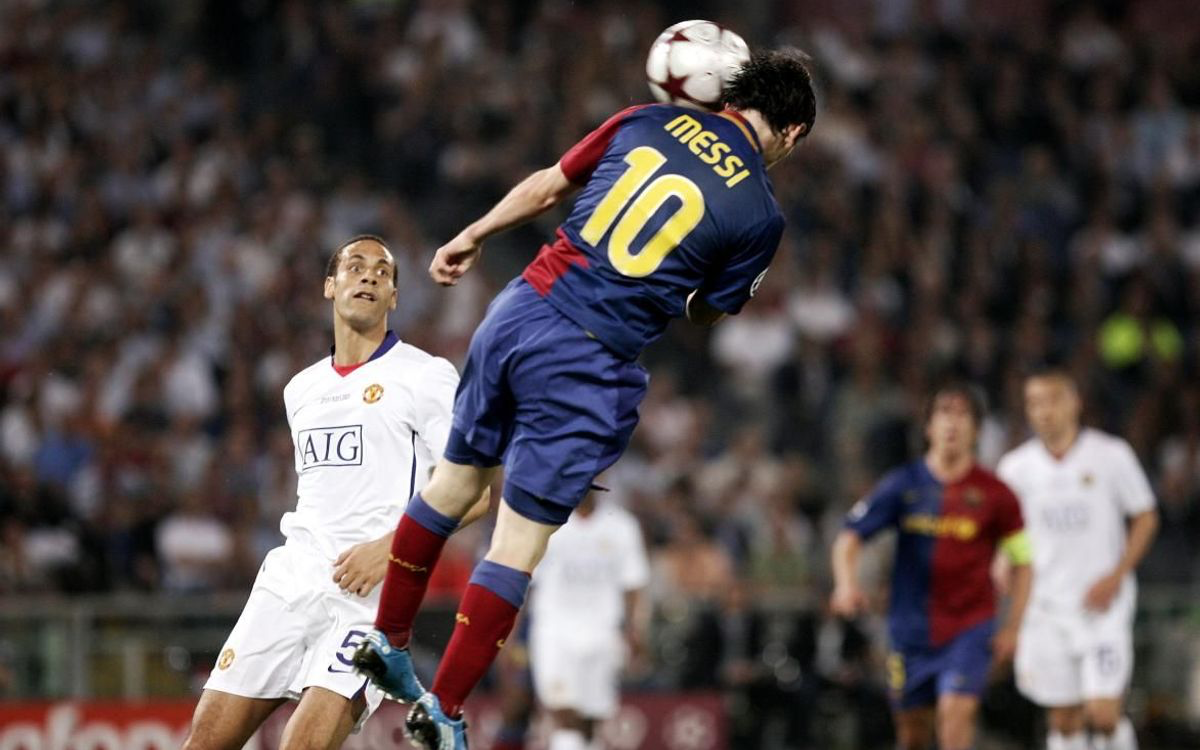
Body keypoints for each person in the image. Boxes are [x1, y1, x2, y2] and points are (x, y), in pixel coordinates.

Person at [352, 50, 817, 749]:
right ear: (792, 132)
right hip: (586, 359)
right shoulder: (759, 212)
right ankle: (442, 708)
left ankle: (387, 640)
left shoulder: (647, 118)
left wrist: (472, 235)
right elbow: (707, 311)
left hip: (518, 309)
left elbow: (547, 187)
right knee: (516, 544)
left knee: (449, 488)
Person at [181, 236, 488, 750]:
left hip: (368, 598)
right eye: (355, 266)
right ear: (330, 286)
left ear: (393, 297)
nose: (369, 275)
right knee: (204, 742)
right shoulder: (300, 390)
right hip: (290, 582)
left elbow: (474, 493)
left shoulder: (426, 376)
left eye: (383, 272)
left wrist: (392, 549)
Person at [830, 383, 1033, 750]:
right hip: (910, 631)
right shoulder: (902, 485)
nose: (952, 423)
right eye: (944, 413)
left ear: (977, 429)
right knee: (913, 736)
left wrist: (1013, 627)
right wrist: (846, 584)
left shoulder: (996, 494)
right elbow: (849, 537)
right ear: (928, 427)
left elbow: (1024, 561)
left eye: (963, 415)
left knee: (956, 715)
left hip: (970, 628)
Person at [997, 369, 1159, 750]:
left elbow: (1146, 516)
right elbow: (1006, 532)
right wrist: (1002, 560)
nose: (1044, 411)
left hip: (1101, 607)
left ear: (1075, 403)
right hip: (1045, 609)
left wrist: (1117, 575)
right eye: (1034, 403)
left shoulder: (1111, 455)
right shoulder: (1015, 469)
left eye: (1053, 400)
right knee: (1064, 720)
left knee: (1103, 714)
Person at [527, 492, 650, 750]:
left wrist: (635, 630)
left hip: (603, 632)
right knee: (560, 707)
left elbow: (633, 584)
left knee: (592, 716)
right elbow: (527, 581)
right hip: (554, 631)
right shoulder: (546, 521)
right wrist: (509, 633)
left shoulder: (622, 526)